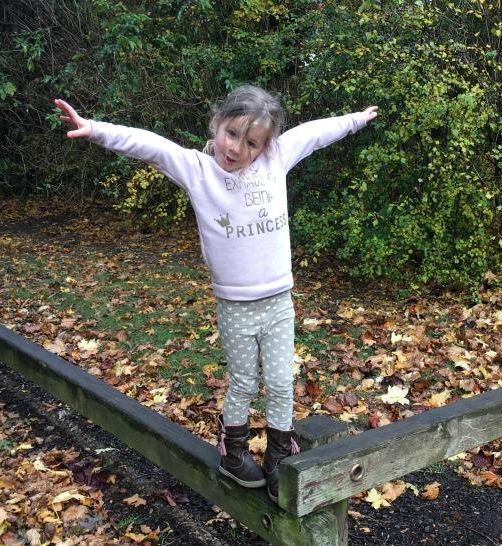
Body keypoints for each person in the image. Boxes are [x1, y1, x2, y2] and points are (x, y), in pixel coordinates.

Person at [54, 86, 378, 503]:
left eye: (251, 142)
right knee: (243, 382)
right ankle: (234, 451)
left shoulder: (275, 160)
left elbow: (315, 133)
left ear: (265, 146)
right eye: (232, 133)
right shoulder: (198, 170)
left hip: (279, 302)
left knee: (280, 382)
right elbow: (149, 146)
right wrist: (94, 129)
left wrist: (354, 120)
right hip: (235, 306)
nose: (237, 148)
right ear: (217, 124)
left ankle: (280, 454)